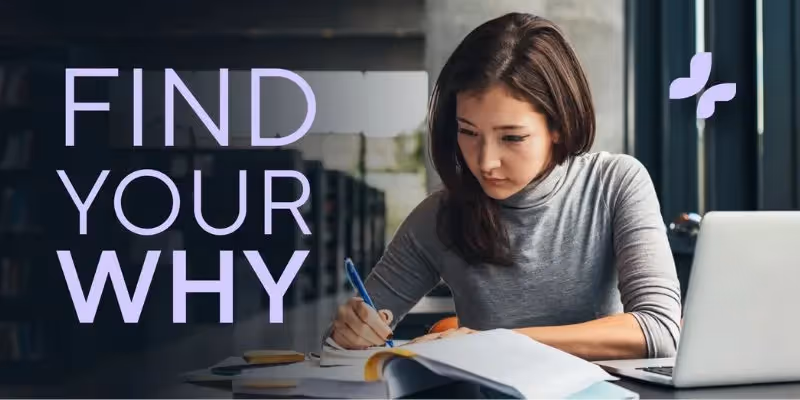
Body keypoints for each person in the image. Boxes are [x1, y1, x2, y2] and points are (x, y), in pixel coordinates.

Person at [328, 12, 681, 361]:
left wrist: (493, 341)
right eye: (468, 132)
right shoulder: (439, 216)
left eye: (511, 137)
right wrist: (349, 333)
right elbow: (337, 350)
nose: (485, 162)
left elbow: (659, 330)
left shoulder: (614, 184)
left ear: (558, 125)